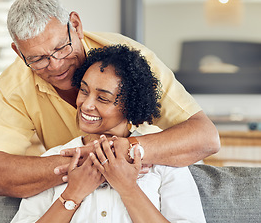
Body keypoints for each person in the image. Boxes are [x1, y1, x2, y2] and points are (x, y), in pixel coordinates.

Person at [0, 0, 220, 198]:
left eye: (60, 48)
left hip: (154, 182)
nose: (55, 65)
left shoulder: (132, 59)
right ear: (18, 52)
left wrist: (124, 150)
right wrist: (92, 161)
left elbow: (205, 136)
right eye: (38, 59)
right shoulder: (13, 85)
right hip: (79, 191)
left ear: (75, 25)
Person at [11, 44, 206, 223]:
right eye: (84, 91)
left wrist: (127, 188)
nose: (86, 105)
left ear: (129, 106)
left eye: (103, 98)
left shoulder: (164, 162)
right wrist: (73, 193)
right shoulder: (55, 160)